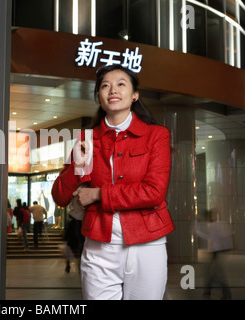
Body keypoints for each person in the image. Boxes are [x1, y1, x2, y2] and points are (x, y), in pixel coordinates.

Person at [52, 64, 174, 300]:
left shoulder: (156, 135)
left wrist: (98, 195)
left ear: (135, 95)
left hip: (147, 245)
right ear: (98, 96)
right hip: (99, 246)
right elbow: (59, 196)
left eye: (121, 84)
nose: (112, 90)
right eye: (105, 86)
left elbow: (154, 192)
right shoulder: (87, 139)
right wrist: (77, 167)